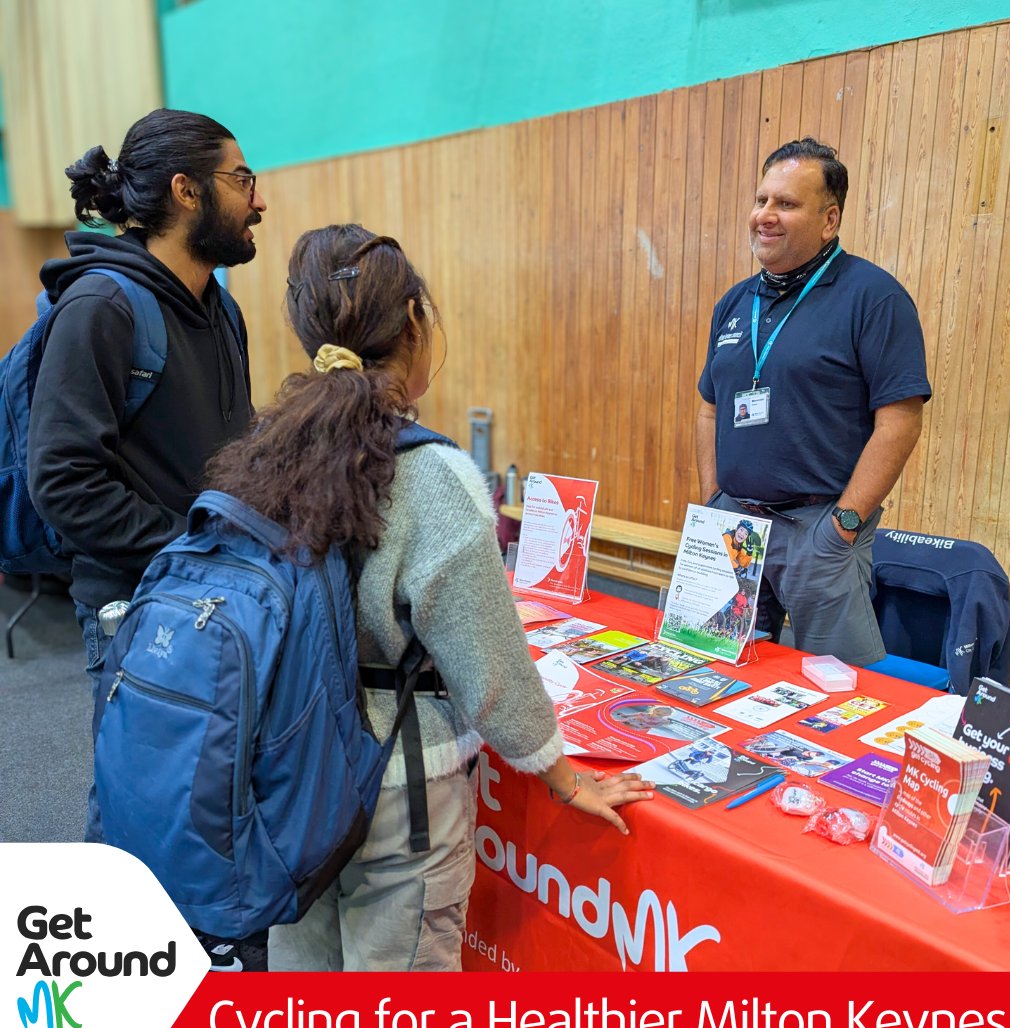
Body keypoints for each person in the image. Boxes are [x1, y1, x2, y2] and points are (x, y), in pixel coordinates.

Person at [202, 224, 654, 972]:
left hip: (285, 771)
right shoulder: (431, 475)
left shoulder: (261, 453)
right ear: (415, 321)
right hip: (397, 790)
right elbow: (490, 665)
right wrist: (563, 779)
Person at [27, 109, 267, 848]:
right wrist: (186, 551)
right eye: (242, 179)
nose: (259, 199)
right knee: (138, 816)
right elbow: (63, 481)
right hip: (139, 616)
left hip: (221, 606)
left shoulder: (217, 305)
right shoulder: (102, 308)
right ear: (186, 191)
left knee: (211, 809)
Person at [695, 137, 931, 666]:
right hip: (733, 526)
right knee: (710, 675)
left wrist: (844, 525)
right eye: (761, 200)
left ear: (829, 220)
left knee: (836, 696)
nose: (765, 216)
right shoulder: (734, 304)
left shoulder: (874, 298)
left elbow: (900, 420)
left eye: (786, 204)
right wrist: (712, 503)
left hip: (818, 531)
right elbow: (710, 407)